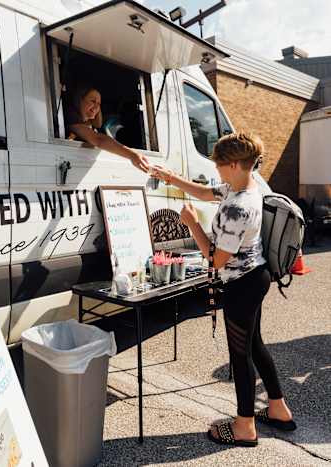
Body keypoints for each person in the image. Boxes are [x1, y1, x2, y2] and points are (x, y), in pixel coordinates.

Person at [152, 132, 296, 447]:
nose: (216, 170)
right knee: (255, 345)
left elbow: (215, 259)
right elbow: (205, 193)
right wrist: (170, 178)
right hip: (254, 278)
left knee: (240, 354)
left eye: (219, 165)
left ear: (233, 164)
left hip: (241, 286)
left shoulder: (239, 207)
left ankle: (245, 427)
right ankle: (278, 410)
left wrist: (191, 225)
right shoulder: (246, 185)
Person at [66, 85, 149, 173]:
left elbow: (101, 134)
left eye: (99, 104)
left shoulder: (93, 128)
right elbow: (99, 140)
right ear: (79, 100)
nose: (96, 107)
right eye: (93, 101)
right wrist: (133, 156)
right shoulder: (72, 122)